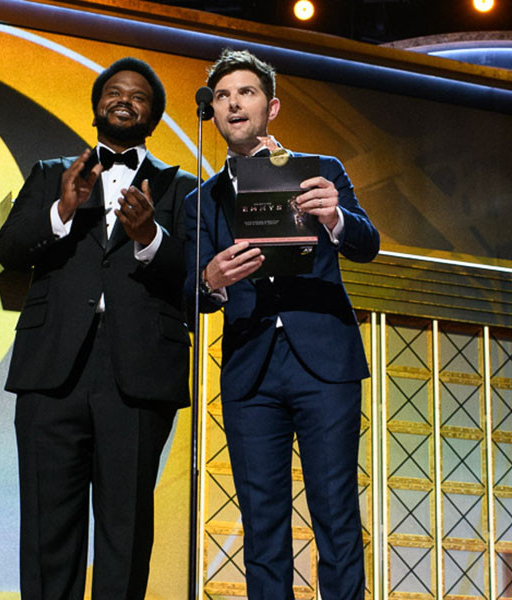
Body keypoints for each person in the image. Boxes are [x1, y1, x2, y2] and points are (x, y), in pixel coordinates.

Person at [0, 57, 196, 600]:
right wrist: (62, 210)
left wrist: (150, 236)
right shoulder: (50, 173)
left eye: (138, 95)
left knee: (124, 528)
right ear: (96, 107)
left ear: (152, 116)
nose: (124, 98)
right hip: (52, 368)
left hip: (138, 373)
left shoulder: (182, 189)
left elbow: (201, 282)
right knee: (47, 525)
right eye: (113, 91)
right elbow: (9, 251)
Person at [185, 49, 380, 600]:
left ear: (271, 106)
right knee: (262, 522)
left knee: (336, 512)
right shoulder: (203, 199)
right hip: (251, 371)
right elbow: (190, 292)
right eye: (222, 97)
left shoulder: (322, 171)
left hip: (324, 362)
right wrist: (212, 279)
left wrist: (334, 215)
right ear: (214, 114)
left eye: (244, 93)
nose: (232, 104)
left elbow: (368, 244)